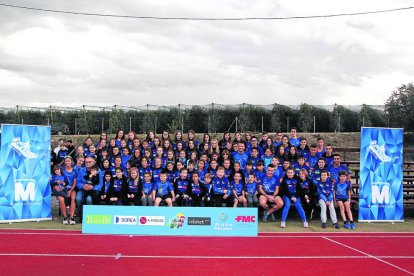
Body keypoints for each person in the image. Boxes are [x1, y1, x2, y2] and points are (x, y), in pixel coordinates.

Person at [75, 157, 103, 221]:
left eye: (89, 162)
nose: (87, 163)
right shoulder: (82, 170)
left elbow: (100, 184)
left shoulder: (98, 171)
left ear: (93, 162)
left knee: (89, 199)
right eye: (86, 162)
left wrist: (93, 187)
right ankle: (82, 216)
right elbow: (78, 182)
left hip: (93, 190)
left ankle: (90, 216)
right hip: (83, 189)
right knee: (78, 199)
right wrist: (83, 186)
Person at [61, 156, 77, 224]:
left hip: (72, 189)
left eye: (68, 161)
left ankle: (71, 217)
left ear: (71, 162)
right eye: (66, 161)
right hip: (63, 189)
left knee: (73, 198)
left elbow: (74, 182)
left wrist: (70, 190)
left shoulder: (75, 171)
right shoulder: (62, 170)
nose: (67, 162)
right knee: (62, 199)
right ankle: (65, 217)